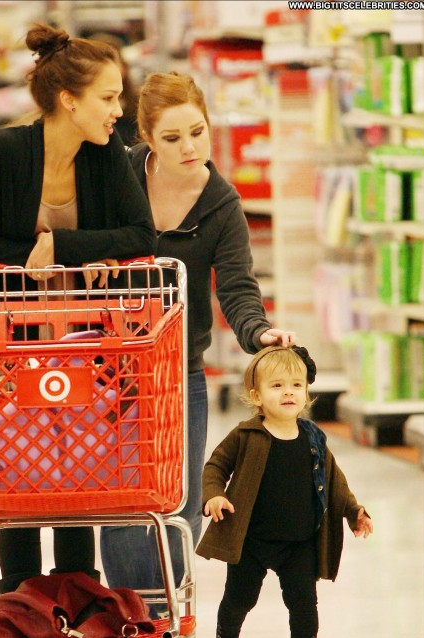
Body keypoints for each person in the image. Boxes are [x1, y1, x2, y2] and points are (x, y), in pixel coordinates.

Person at [0, 24, 155, 638]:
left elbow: (141, 234)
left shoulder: (108, 159)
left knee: (78, 486)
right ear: (68, 99)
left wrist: (63, 248)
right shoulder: (2, 152)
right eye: (108, 97)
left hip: (88, 352)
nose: (118, 111)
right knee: (18, 489)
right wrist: (33, 261)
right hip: (9, 351)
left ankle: (76, 634)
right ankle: (19, 631)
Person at [100, 72, 297, 606]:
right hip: (106, 365)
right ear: (146, 138)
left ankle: (166, 612)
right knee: (121, 498)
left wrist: (260, 332)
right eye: (172, 137)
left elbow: (236, 287)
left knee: (180, 499)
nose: (189, 147)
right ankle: (130, 614)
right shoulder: (118, 175)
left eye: (198, 132)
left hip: (178, 368)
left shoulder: (221, 202)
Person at [196, 346, 374, 638]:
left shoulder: (313, 438)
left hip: (300, 542)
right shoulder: (246, 435)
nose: (288, 392)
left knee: (304, 604)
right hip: (252, 540)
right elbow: (215, 466)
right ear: (257, 395)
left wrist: (354, 511)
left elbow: (334, 481)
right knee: (240, 598)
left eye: (296, 385)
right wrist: (215, 495)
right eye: (277, 386)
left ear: (307, 391)